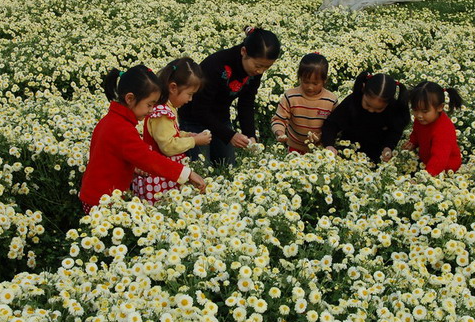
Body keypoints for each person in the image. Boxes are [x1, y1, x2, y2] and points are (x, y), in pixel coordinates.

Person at [79, 65, 205, 214]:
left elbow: (111, 157)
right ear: (130, 98)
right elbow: (149, 159)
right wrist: (187, 173)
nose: (151, 110)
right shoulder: (122, 128)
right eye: (149, 104)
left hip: (95, 193)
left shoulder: (110, 120)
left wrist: (133, 167)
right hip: (102, 200)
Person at [179, 26, 281, 166]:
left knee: (228, 166)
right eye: (258, 66)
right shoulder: (215, 66)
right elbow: (199, 110)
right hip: (194, 120)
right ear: (244, 51)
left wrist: (250, 134)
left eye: (266, 68)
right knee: (201, 168)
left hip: (221, 117)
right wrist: (229, 135)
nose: (260, 71)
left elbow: (246, 103)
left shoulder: (254, 70)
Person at [132, 58, 212, 204]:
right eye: (189, 94)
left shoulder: (167, 108)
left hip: (165, 172)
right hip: (159, 175)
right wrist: (194, 141)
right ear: (173, 87)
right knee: (162, 207)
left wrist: (187, 135)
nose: (190, 99)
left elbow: (169, 134)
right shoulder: (162, 112)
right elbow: (167, 146)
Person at [322, 72, 409, 163]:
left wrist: (388, 147)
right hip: (346, 152)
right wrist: (329, 145)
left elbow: (395, 131)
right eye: (367, 104)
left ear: (388, 103)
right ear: (363, 89)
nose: (371, 110)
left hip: (376, 157)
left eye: (378, 109)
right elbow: (332, 123)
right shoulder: (354, 100)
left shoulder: (393, 109)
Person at [271, 53, 338, 153]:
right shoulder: (291, 96)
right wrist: (280, 133)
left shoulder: (331, 100)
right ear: (300, 77)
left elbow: (335, 125)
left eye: (315, 83)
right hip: (294, 147)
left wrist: (326, 140)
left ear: (324, 80)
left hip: (320, 150)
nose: (310, 87)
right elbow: (278, 119)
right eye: (306, 82)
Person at [403, 81, 463, 176]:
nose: (419, 115)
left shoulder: (443, 129)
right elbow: (417, 132)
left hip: (445, 168)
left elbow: (439, 159)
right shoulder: (422, 120)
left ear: (440, 107)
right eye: (415, 110)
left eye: (424, 111)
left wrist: (425, 177)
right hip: (426, 162)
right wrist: (412, 142)